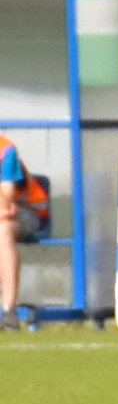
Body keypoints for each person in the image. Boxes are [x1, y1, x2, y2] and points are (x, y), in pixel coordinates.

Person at [0, 128, 34, 328]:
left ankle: (8, 311)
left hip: (25, 213)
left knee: (2, 230)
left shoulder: (5, 150)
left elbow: (5, 204)